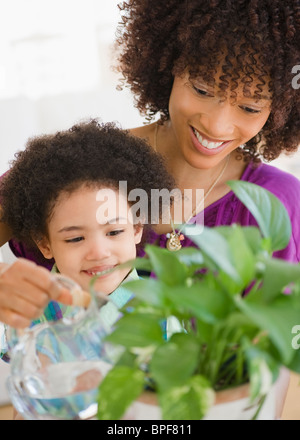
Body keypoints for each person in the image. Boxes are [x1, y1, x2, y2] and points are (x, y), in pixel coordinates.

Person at [0, 119, 175, 360]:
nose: (99, 252)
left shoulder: (165, 310)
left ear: (136, 228)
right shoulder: (28, 308)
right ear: (45, 243)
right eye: (75, 238)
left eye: (114, 232)